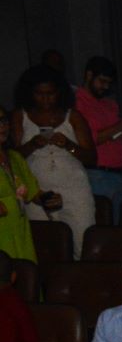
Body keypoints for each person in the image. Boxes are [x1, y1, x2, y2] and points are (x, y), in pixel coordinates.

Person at [11, 66, 95, 257]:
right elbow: (13, 158)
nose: (45, 99)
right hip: (37, 191)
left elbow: (91, 158)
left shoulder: (72, 116)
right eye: (39, 94)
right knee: (44, 245)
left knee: (81, 244)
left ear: (59, 93)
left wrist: (68, 145)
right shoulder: (20, 116)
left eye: (50, 94)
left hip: (74, 190)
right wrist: (32, 145)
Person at [75, 56, 122, 223]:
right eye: (102, 81)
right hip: (97, 174)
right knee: (103, 225)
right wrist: (119, 127)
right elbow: (87, 139)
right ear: (89, 75)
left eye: (109, 83)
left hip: (120, 173)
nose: (105, 87)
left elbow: (119, 137)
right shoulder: (77, 102)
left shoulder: (110, 104)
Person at [0, 103, 48, 260]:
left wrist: (49, 199)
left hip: (20, 229)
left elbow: (33, 193)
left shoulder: (14, 157)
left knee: (25, 271)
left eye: (4, 121)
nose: (2, 126)